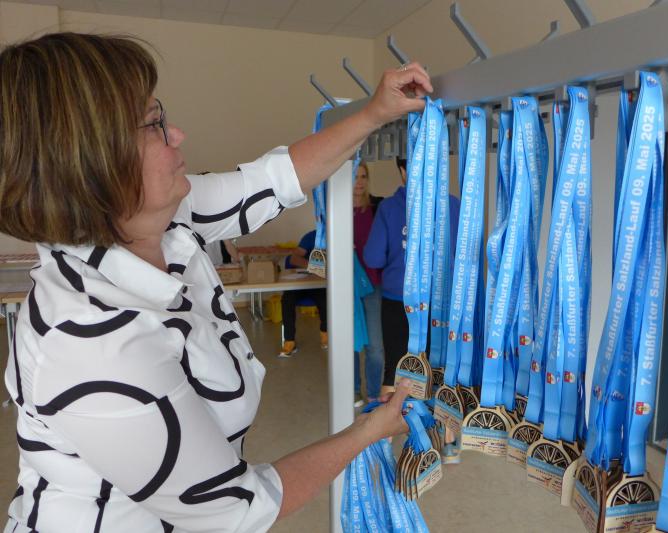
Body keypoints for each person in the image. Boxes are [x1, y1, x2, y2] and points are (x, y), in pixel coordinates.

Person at [0, 33, 431, 532]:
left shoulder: (162, 218)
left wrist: (374, 114)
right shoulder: (93, 341)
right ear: (93, 164)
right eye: (154, 123)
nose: (177, 133)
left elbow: (271, 181)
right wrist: (368, 431)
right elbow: (234, 508)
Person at [363, 157, 460, 395]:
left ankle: (387, 420)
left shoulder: (389, 208)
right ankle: (435, 419)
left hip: (398, 302)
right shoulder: (453, 205)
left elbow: (373, 258)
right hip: (441, 303)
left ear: (403, 171)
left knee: (394, 371)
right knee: (440, 371)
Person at [353, 162, 384, 404]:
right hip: (347, 287)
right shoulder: (335, 209)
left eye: (363, 176)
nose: (360, 182)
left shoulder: (377, 207)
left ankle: (373, 394)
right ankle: (353, 389)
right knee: (351, 342)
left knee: (375, 346)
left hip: (374, 285)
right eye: (355, 177)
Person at [278, 229, 327, 357]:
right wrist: (314, 266)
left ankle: (326, 334)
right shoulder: (311, 236)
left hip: (319, 285)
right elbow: (294, 259)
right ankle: (289, 341)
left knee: (325, 298)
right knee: (287, 299)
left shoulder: (338, 235)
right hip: (301, 283)